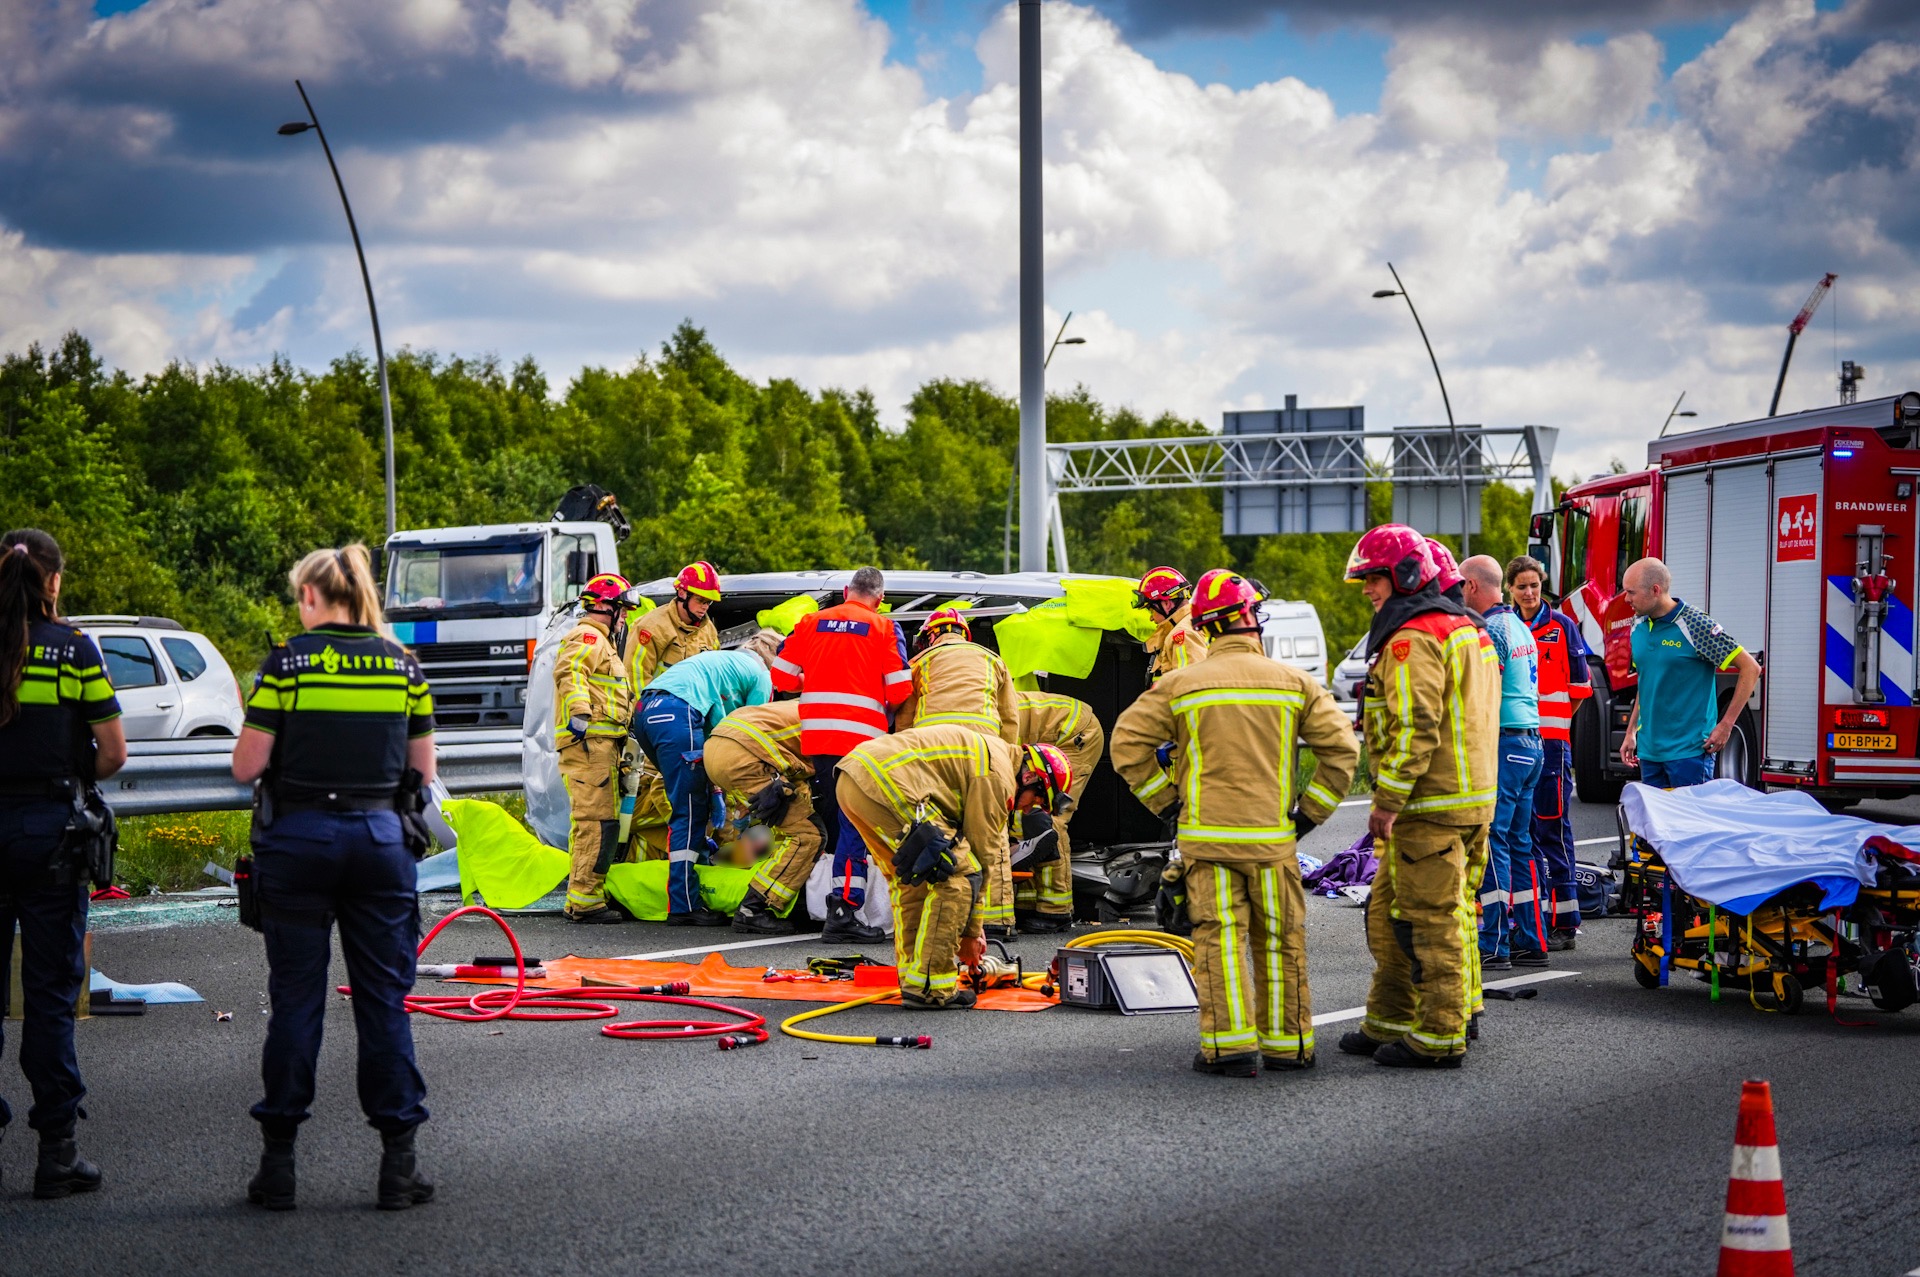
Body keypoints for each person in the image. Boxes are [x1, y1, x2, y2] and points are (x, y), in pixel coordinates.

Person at [231, 543, 437, 1211]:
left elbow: (245, 765)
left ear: (315, 597)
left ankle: (279, 1163)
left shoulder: (286, 662)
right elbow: (424, 771)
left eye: (300, 596)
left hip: (296, 843)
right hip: (380, 841)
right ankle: (398, 1163)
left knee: (297, 1000)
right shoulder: (403, 666)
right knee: (383, 1001)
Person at [1112, 569, 1359, 1077]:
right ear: (1248, 618)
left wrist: (1169, 805)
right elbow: (1342, 753)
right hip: (1273, 842)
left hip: (1206, 839)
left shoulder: (1182, 682)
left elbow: (1126, 744)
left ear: (1209, 625)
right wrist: (1307, 816)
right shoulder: (1294, 683)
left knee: (1219, 941)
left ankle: (1230, 1050)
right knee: (1281, 940)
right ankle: (1289, 1047)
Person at [1337, 525, 1497, 1070]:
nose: (1366, 590)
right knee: (1394, 914)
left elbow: (1415, 725)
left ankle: (1438, 1034)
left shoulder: (1414, 637)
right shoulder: (1466, 629)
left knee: (1430, 923)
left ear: (1404, 577)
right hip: (1469, 800)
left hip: (1429, 806)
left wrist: (1384, 801)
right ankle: (1391, 1017)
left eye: (1373, 578)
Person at [0, 529, 125, 1200]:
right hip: (50, 832)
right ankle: (56, 1152)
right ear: (53, 581)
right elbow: (114, 749)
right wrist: (73, 771)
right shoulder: (73, 648)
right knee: (49, 996)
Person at [836, 728, 1071, 1008]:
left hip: (853, 779)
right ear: (1030, 776)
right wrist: (971, 935)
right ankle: (932, 988)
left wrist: (971, 929)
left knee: (915, 879)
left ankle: (914, 977)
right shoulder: (998, 775)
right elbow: (982, 857)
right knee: (958, 872)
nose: (1029, 807)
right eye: (1037, 799)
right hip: (886, 783)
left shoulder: (992, 756)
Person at [767, 566, 910, 944]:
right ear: (879, 599)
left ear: (846, 591)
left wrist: (813, 681)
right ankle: (844, 909)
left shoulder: (811, 622)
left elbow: (780, 678)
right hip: (862, 743)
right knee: (855, 825)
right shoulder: (883, 628)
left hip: (818, 740)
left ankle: (835, 905)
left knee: (834, 820)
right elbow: (898, 691)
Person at [632, 637, 778, 925]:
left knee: (690, 797)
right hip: (678, 712)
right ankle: (684, 905)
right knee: (690, 811)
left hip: (646, 711)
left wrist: (716, 788)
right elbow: (752, 736)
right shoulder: (762, 674)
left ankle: (698, 866)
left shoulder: (722, 665)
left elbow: (715, 745)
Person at [896, 607, 1022, 932]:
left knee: (935, 830)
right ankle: (996, 921)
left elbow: (905, 719)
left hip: (932, 751)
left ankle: (944, 914)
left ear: (930, 635)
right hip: (985, 753)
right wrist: (1005, 761)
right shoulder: (993, 659)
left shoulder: (920, 662)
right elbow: (1010, 719)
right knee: (990, 834)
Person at [1460, 555, 1546, 971]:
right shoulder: (1518, 624)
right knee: (1520, 845)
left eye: (1461, 586)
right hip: (1531, 742)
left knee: (1493, 844)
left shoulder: (1491, 629)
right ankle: (1531, 939)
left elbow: (1481, 692)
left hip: (1506, 742)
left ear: (1473, 586)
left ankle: (1494, 943)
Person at [1507, 555, 1592, 950]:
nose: (1529, 593)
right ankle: (1532, 918)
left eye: (1535, 586)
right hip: (1516, 744)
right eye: (1522, 586)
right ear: (1510, 589)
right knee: (1518, 834)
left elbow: (1579, 690)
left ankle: (1565, 922)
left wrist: (1554, 727)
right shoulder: (1505, 626)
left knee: (1553, 829)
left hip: (1553, 744)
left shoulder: (1563, 627)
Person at [1621, 558, 1761, 789]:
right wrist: (1631, 733)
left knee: (1691, 825)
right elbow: (1646, 683)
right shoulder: (1637, 625)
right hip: (1649, 753)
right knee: (1657, 826)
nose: (1626, 599)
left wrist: (1726, 725)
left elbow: (1751, 668)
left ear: (1655, 590)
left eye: (1631, 593)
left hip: (1690, 753)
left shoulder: (1696, 625)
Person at [553, 573, 635, 923]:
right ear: (609, 609)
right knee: (595, 822)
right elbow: (570, 671)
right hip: (588, 745)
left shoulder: (605, 644)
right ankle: (585, 901)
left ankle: (584, 897)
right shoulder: (588, 636)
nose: (627, 619)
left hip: (602, 746)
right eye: (624, 611)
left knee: (600, 822)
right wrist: (580, 712)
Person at [710, 700, 821, 934]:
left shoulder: (809, 703)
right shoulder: (847, 725)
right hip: (749, 755)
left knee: (787, 820)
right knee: (808, 835)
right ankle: (753, 909)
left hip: (718, 746)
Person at [1010, 689, 1103, 932]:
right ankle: (1026, 904)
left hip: (1074, 735)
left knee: (1050, 817)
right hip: (1051, 734)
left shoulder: (972, 721)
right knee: (1020, 814)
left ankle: (1056, 910)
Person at [625, 560, 722, 690]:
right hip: (659, 707)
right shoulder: (651, 627)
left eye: (708, 602)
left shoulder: (709, 630)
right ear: (682, 593)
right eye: (700, 600)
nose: (704, 607)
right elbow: (635, 677)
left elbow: (715, 677)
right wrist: (645, 709)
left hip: (697, 708)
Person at [1137, 566, 1207, 683]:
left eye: (1151, 610)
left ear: (1166, 604)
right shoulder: (1191, 623)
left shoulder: (1183, 634)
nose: (1151, 618)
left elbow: (1189, 687)